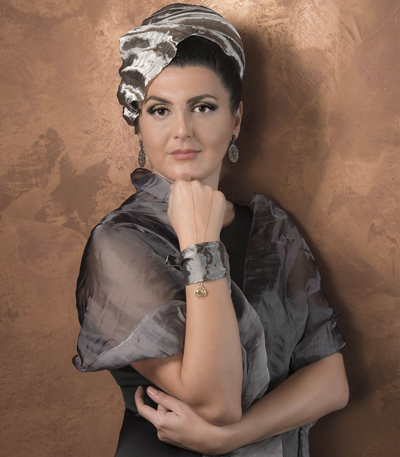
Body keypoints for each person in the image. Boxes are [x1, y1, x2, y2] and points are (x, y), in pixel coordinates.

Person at [72, 3, 349, 456]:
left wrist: (231, 438)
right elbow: (216, 402)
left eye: (202, 107)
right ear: (138, 124)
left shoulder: (271, 230)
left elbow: (332, 380)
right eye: (160, 110)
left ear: (235, 120)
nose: (182, 130)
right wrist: (201, 245)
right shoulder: (119, 242)